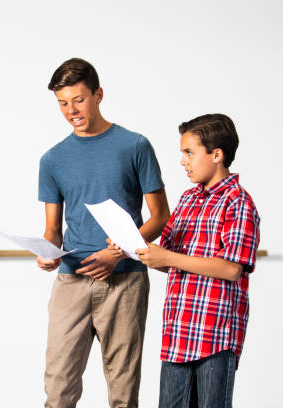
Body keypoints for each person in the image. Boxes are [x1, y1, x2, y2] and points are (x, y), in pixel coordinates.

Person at [37, 58, 170, 408]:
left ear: (98, 94)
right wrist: (47, 252)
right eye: (63, 103)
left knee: (123, 392)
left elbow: (160, 216)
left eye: (78, 100)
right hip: (72, 280)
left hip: (125, 281)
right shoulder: (52, 159)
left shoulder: (134, 146)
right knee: (58, 391)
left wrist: (120, 252)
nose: (71, 111)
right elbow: (52, 229)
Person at [130, 114, 260, 407]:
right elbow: (169, 261)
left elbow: (231, 268)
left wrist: (168, 256)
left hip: (215, 336)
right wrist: (141, 251)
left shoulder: (238, 202)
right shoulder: (187, 200)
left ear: (217, 155)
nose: (182, 161)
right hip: (178, 334)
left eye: (189, 152)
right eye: (182, 153)